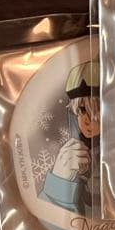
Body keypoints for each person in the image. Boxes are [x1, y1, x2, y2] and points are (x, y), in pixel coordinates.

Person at [39, 60, 99, 215]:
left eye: (95, 111)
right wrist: (60, 180)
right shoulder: (72, 153)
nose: (86, 120)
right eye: (81, 110)